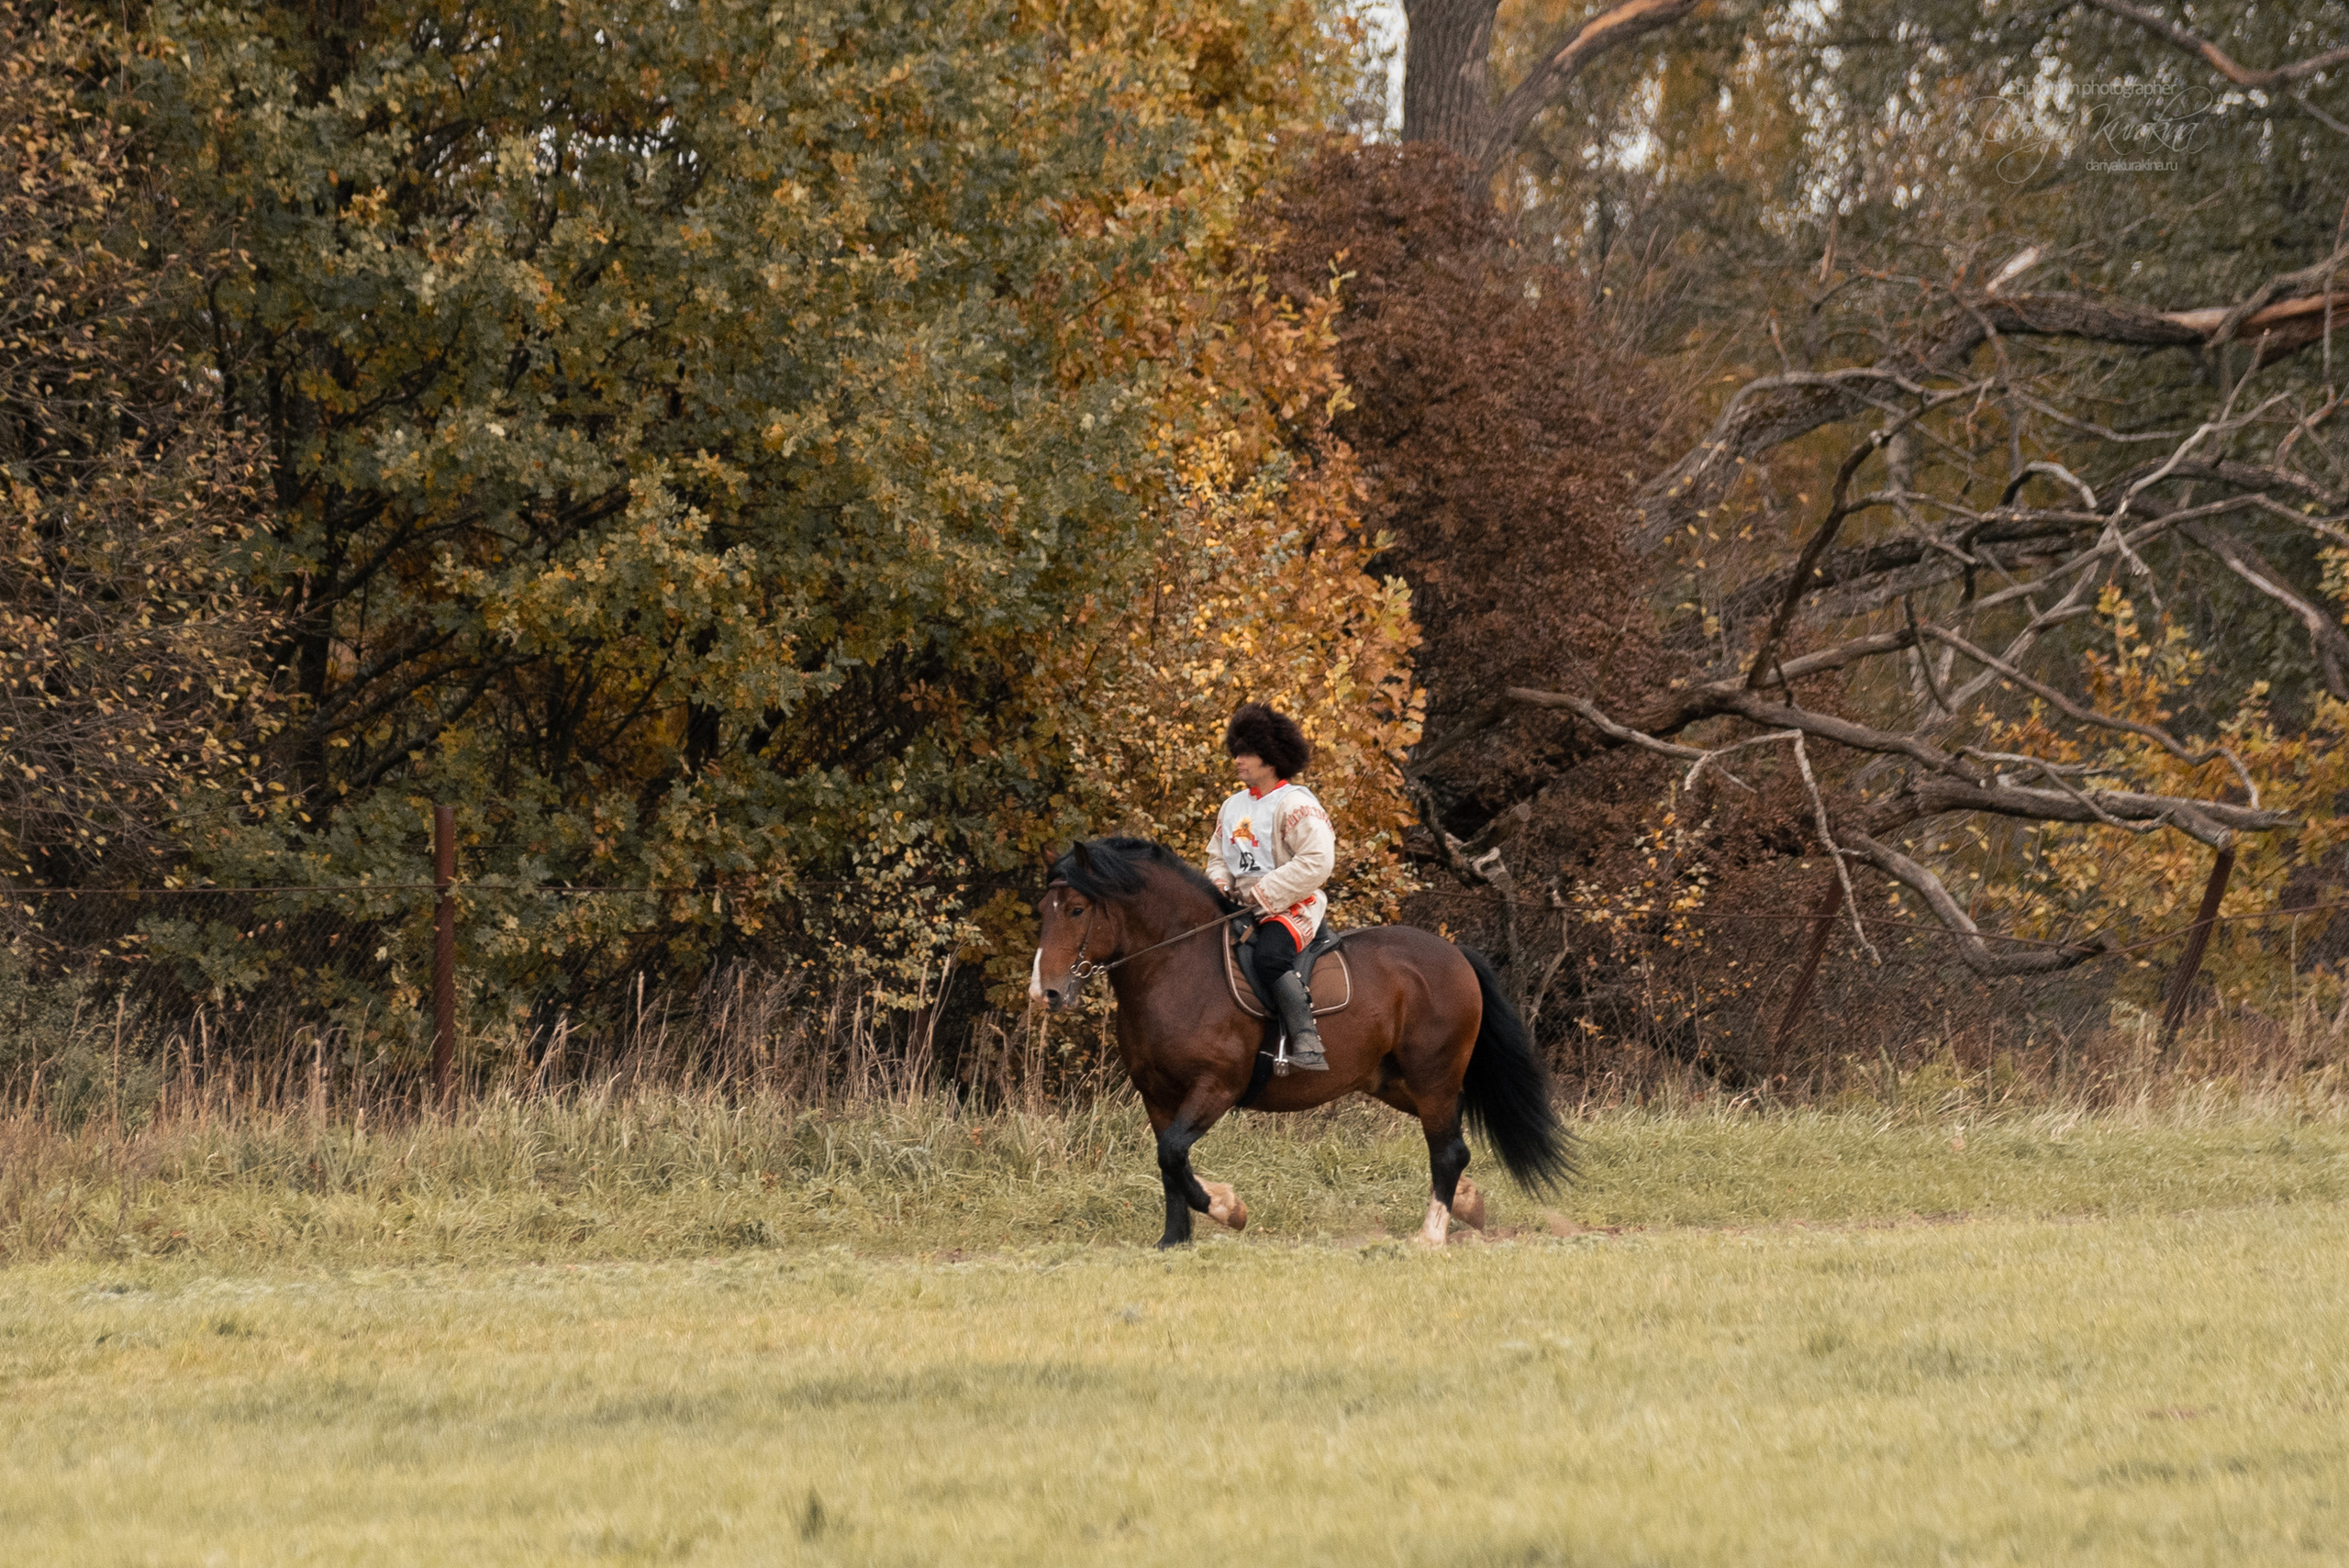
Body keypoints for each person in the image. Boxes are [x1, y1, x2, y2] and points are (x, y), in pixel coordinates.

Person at [1204, 702, 1336, 1070]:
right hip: (1238, 907)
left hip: (1293, 906)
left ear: (1271, 757)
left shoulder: (1295, 804)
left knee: (1269, 957)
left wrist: (1262, 894)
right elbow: (1219, 856)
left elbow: (1317, 860)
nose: (1238, 760)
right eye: (1237, 752)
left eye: (1247, 753)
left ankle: (1307, 1039)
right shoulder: (1231, 807)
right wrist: (1220, 885)